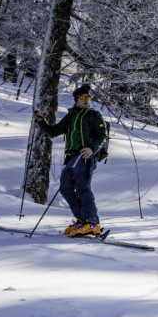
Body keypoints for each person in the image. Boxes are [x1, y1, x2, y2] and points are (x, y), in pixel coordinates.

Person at [33, 84, 107, 236]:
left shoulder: (93, 115)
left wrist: (92, 149)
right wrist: (41, 121)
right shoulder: (70, 117)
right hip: (71, 157)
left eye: (88, 97)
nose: (86, 100)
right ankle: (82, 220)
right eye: (83, 97)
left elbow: (102, 135)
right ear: (76, 99)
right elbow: (53, 132)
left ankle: (92, 222)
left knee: (82, 187)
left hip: (85, 156)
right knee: (65, 187)